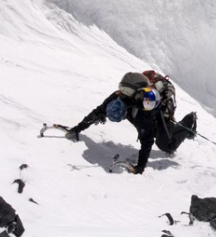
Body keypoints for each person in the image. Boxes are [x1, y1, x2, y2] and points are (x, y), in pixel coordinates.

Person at [66, 70, 197, 174]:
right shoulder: (118, 97)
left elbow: (147, 140)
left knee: (166, 146)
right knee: (153, 132)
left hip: (161, 114)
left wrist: (140, 167)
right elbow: (98, 112)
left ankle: (189, 120)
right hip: (148, 116)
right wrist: (78, 128)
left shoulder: (141, 112)